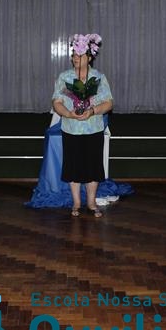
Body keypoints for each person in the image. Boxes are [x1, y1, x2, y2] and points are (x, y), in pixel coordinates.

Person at [51, 33, 114, 218]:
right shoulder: (64, 77)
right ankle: (77, 202)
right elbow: (56, 102)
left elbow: (109, 103)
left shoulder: (99, 77)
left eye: (79, 55)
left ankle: (91, 202)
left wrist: (92, 111)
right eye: (73, 55)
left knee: (93, 167)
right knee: (73, 167)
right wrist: (68, 113)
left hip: (93, 129)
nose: (75, 58)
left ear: (89, 57)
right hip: (71, 129)